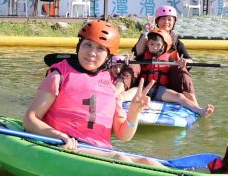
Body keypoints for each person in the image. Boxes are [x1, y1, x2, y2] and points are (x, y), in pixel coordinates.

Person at [24, 19, 153, 163]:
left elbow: (124, 135)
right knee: (120, 158)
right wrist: (57, 135)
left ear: (108, 57)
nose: (92, 53)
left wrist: (134, 113)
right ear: (79, 46)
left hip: (101, 151)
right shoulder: (59, 75)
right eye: (87, 45)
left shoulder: (110, 85)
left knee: (148, 161)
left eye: (100, 49)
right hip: (66, 146)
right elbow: (30, 119)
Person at [135, 30, 214, 117]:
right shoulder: (142, 56)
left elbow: (180, 63)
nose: (155, 47)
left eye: (158, 45)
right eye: (152, 44)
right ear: (147, 45)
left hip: (159, 91)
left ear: (163, 46)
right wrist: (126, 60)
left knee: (179, 96)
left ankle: (200, 110)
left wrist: (181, 62)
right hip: (141, 89)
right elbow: (133, 59)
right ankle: (118, 102)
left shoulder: (169, 59)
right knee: (126, 94)